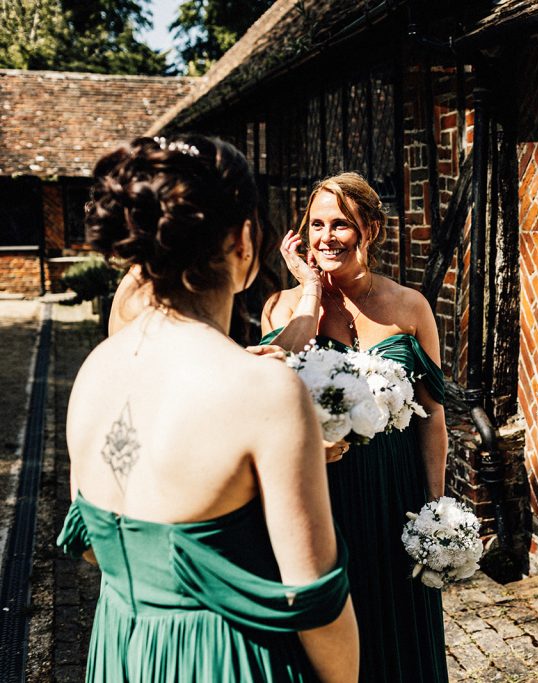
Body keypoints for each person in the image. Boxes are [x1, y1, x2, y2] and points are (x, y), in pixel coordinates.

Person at [57, 134, 359, 682]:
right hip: (226, 660)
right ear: (244, 241)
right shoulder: (262, 389)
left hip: (121, 650)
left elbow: (91, 550)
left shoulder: (94, 370)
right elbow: (315, 603)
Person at [262, 172, 448, 682]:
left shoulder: (411, 308)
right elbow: (273, 385)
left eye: (340, 224)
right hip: (325, 497)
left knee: (400, 628)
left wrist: (433, 509)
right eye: (316, 224)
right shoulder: (281, 309)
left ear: (371, 228)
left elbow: (433, 418)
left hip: (396, 496)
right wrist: (309, 292)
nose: (325, 237)